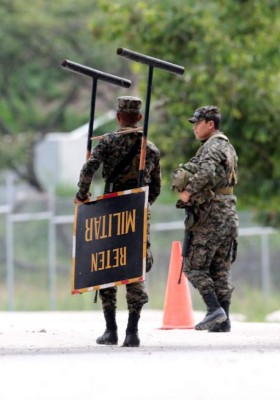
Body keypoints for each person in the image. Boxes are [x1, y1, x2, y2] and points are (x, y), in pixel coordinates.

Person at [74, 96, 161, 347]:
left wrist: (82, 195)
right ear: (140, 118)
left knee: (108, 264)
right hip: (137, 210)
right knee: (134, 265)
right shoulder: (150, 148)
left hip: (110, 207)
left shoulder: (108, 142)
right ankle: (132, 332)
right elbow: (156, 188)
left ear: (118, 116)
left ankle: (110, 330)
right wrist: (143, 203)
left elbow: (88, 168)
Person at [176, 105, 238, 332]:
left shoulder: (212, 146)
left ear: (210, 124)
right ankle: (224, 321)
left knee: (193, 267)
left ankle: (214, 310)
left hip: (211, 215)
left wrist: (187, 193)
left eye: (197, 122)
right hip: (228, 213)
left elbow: (205, 173)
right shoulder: (227, 146)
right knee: (219, 269)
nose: (194, 127)